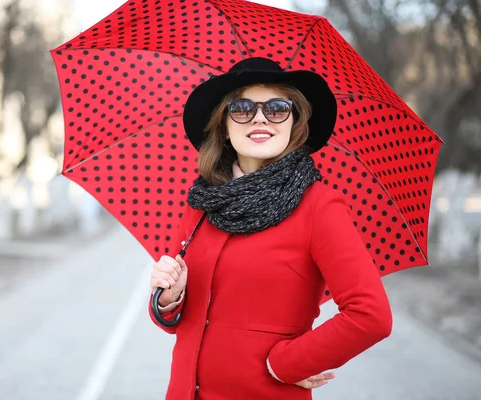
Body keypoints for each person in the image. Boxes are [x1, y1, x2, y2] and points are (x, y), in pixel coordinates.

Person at [148, 57, 393, 400]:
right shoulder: (202, 203)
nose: (260, 117)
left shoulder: (319, 207)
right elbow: (178, 322)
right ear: (223, 125)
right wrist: (169, 298)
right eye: (243, 108)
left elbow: (371, 316)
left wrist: (289, 364)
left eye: (277, 108)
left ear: (294, 122)